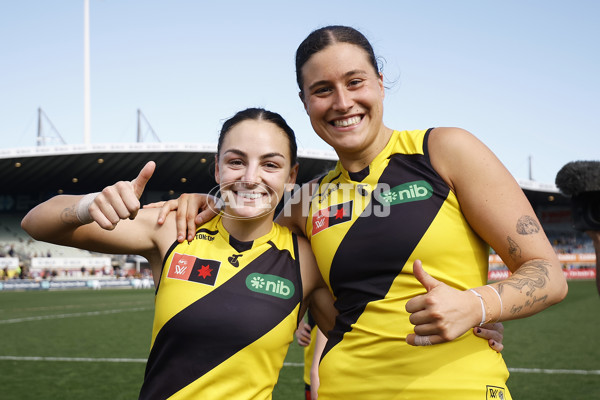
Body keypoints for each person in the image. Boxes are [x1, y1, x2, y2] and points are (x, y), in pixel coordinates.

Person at [155, 26, 568, 399]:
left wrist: (479, 306)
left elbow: (547, 274)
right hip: (344, 390)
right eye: (322, 90)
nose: (342, 102)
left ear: (381, 84)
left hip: (457, 386)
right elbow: (248, 240)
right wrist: (205, 201)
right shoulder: (303, 202)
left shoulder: (444, 151)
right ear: (305, 102)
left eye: (355, 82)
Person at [20, 108, 337, 400]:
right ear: (216, 168)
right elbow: (36, 222)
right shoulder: (170, 227)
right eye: (236, 161)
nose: (251, 177)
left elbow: (359, 345)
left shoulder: (307, 261)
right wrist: (91, 204)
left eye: (270, 164)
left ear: (291, 175)